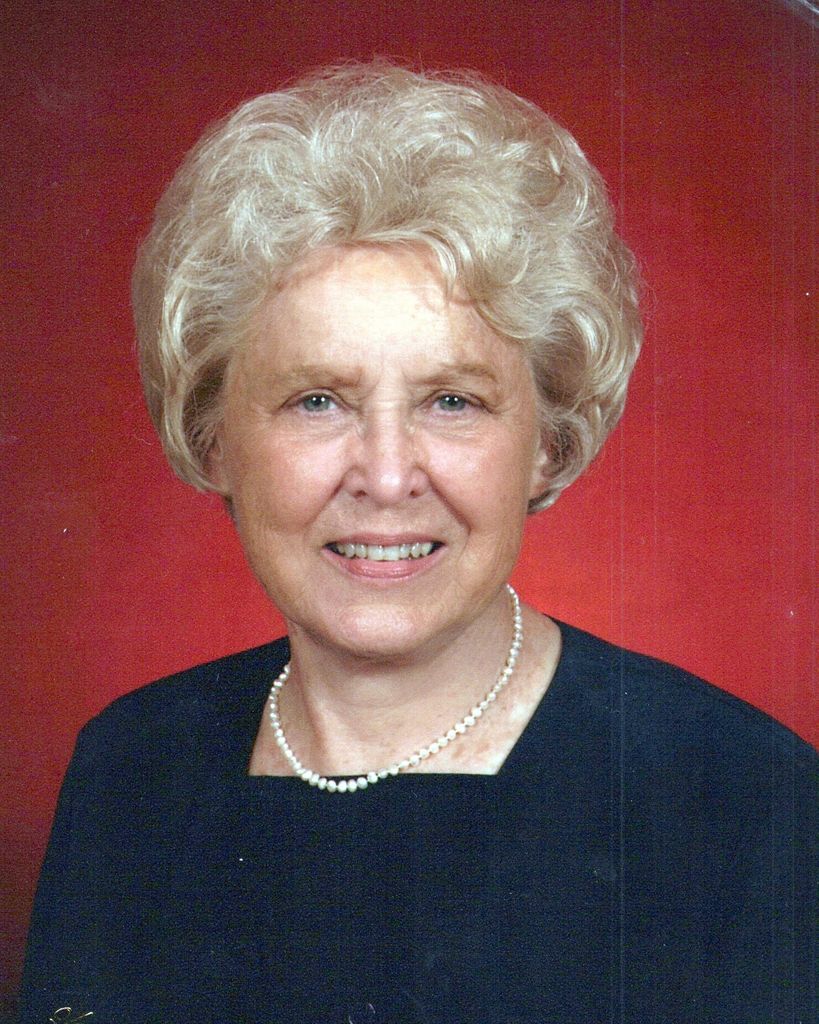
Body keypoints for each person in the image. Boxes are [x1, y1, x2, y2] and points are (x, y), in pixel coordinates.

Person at [21, 62, 815, 1024]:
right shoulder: (132, 769)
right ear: (214, 438)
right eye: (318, 400)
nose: (388, 475)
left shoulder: (739, 798)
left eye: (452, 401)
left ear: (548, 441)